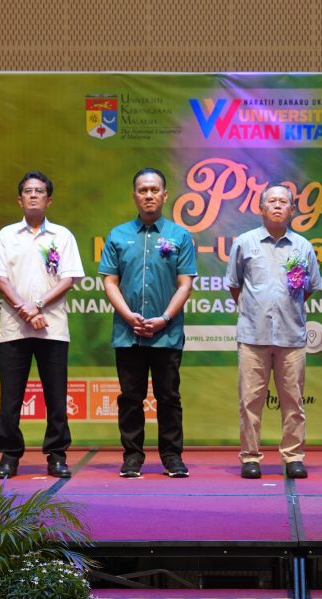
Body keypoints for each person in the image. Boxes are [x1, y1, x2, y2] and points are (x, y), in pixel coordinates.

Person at [0, 171, 84, 479]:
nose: (33, 195)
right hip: (14, 328)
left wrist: (37, 305)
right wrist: (26, 311)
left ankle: (57, 455)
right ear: (20, 199)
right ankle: (9, 455)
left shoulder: (62, 236)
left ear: (49, 200)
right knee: (11, 398)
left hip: (52, 328)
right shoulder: (5, 235)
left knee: (56, 396)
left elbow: (68, 279)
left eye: (39, 191)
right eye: (28, 191)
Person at [99, 167, 196, 478]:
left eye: (154, 190)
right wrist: (128, 316)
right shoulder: (118, 235)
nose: (149, 195)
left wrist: (165, 318)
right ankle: (132, 457)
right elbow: (110, 282)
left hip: (167, 333)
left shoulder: (179, 235)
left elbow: (185, 284)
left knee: (169, 397)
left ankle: (172, 457)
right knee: (130, 398)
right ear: (134, 196)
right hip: (128, 333)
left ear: (165, 195)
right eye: (143, 190)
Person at [226, 185, 321, 479]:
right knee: (249, 402)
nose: (277, 206)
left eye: (283, 202)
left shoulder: (303, 246)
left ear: (292, 210)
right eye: (272, 201)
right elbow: (234, 285)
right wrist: (256, 309)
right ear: (261, 208)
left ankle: (293, 456)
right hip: (253, 336)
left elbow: (310, 287)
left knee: (293, 401)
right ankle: (250, 457)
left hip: (291, 337)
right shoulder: (245, 243)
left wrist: (287, 308)